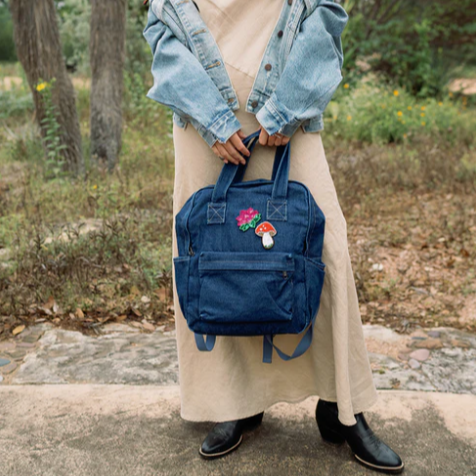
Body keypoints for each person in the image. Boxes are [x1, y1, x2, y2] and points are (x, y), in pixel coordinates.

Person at [143, 0, 404, 473]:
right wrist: (212, 119)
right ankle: (236, 402)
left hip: (288, 112)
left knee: (327, 253)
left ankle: (342, 406)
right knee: (223, 261)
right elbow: (163, 31)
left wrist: (284, 109)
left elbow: (324, 19)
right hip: (202, 122)